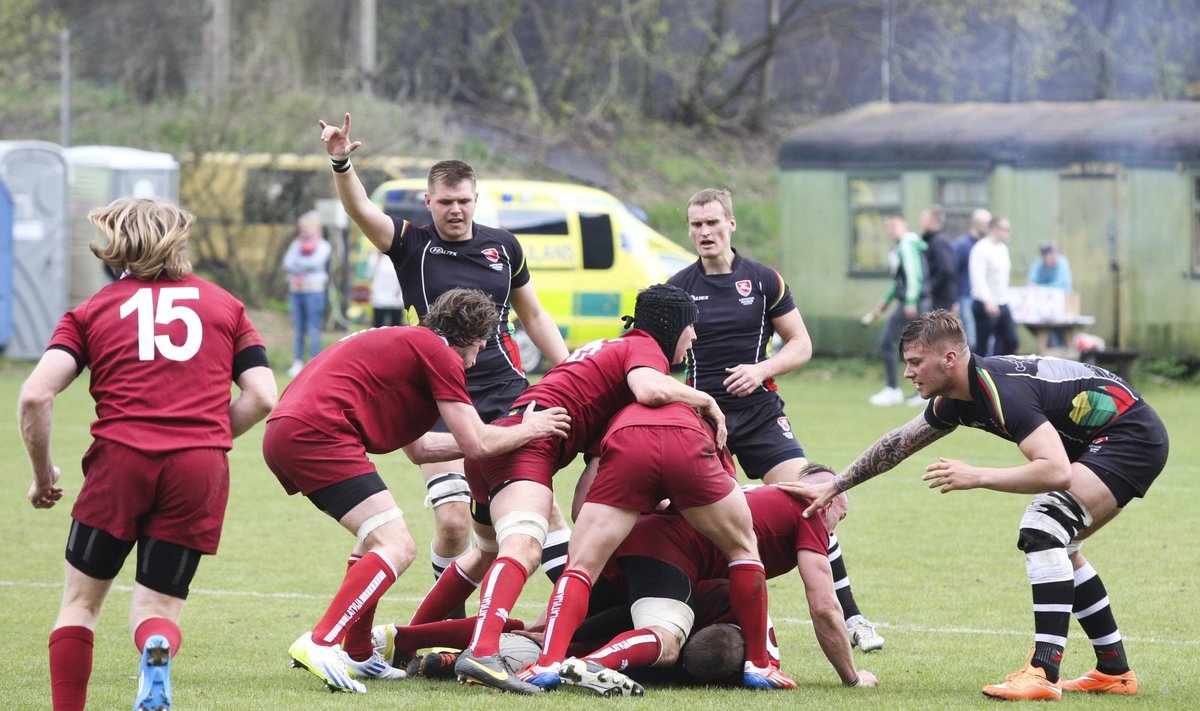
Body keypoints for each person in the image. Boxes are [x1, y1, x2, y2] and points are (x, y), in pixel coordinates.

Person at [789, 310, 1168, 701]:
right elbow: (898, 443)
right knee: (1061, 545)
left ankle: (1043, 670)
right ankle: (1114, 671)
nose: (908, 373)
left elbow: (1056, 472)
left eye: (916, 362)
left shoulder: (1003, 392)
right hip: (1104, 438)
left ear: (949, 359)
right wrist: (836, 485)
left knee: (1044, 527)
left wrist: (977, 475)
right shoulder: (958, 397)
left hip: (1129, 435)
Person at [19, 197, 278, 711]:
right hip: (198, 469)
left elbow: (35, 395)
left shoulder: (91, 310)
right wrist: (205, 435)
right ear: (179, 240)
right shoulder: (225, 305)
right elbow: (264, 395)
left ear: (115, 245)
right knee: (157, 606)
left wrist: (44, 473)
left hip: (120, 463)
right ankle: (155, 645)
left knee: (79, 605)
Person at [319, 113, 571, 614]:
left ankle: (583, 620)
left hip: (503, 389)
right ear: (429, 202)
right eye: (446, 202)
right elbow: (361, 208)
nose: (455, 210)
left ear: (475, 200)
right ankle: (444, 621)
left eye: (464, 201)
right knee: (454, 521)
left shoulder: (504, 246)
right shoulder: (412, 244)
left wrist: (567, 371)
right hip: (435, 392)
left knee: (541, 513)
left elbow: (535, 314)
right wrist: (341, 161)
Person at [262, 287, 570, 694]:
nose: (476, 359)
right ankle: (322, 641)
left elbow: (424, 448)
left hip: (293, 432)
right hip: (318, 433)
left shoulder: (410, 346)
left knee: (373, 541)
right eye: (478, 346)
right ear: (467, 335)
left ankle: (358, 652)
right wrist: (531, 428)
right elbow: (477, 444)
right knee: (397, 545)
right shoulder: (439, 352)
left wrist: (496, 434)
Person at [448, 284, 727, 694]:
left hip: (504, 438)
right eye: (691, 327)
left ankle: (402, 637)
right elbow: (651, 389)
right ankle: (483, 652)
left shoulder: (611, 358)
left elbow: (586, 500)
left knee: (483, 556)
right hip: (529, 445)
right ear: (672, 328)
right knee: (523, 550)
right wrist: (705, 400)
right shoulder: (645, 350)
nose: (695, 337)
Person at [667, 187, 884, 652]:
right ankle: (702, 616)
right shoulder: (679, 287)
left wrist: (761, 369)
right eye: (696, 225)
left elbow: (801, 344)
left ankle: (853, 618)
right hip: (704, 421)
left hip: (761, 415)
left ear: (731, 224)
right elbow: (656, 359)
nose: (704, 232)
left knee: (813, 499)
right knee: (693, 517)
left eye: (712, 223)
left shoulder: (763, 280)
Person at [521, 401, 787, 691]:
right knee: (740, 552)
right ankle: (760, 666)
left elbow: (581, 505)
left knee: (580, 570)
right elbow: (723, 500)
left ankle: (546, 660)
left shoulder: (619, 406)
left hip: (623, 500)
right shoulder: (696, 411)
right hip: (664, 533)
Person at [862, 213, 927, 406]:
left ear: (904, 225)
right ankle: (922, 392)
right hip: (911, 301)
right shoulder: (902, 247)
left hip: (912, 303)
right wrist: (884, 303)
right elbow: (899, 281)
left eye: (894, 226)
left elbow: (914, 275)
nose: (890, 230)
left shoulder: (906, 245)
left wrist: (910, 301)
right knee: (918, 347)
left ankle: (893, 389)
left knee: (888, 343)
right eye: (888, 227)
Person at [282, 210, 332, 377]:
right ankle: (297, 362)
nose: (303, 229)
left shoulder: (323, 245)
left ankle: (314, 361)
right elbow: (287, 263)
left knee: (313, 327)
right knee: (298, 328)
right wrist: (303, 265)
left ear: (316, 227)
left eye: (307, 226)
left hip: (314, 291)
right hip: (296, 291)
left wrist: (299, 264)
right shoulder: (296, 244)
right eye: (301, 226)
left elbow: (316, 262)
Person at [970, 215, 1019, 356]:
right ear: (994, 229)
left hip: (1002, 303)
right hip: (985, 304)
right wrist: (987, 300)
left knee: (1011, 340)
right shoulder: (981, 248)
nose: (1008, 232)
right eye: (1006, 229)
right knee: (983, 346)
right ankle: (976, 374)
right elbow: (977, 277)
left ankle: (997, 369)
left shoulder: (1003, 248)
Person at [953, 208, 992, 350]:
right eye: (987, 224)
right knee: (971, 339)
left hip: (985, 299)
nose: (989, 228)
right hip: (966, 297)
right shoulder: (962, 246)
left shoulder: (987, 246)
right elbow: (953, 273)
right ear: (976, 224)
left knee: (988, 339)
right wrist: (955, 299)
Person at [1027, 242, 1073, 348]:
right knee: (1045, 330)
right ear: (1043, 257)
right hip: (1044, 308)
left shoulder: (1062, 263)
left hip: (1063, 304)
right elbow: (1031, 282)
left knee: (1059, 331)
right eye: (1050, 257)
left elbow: (1061, 285)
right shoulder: (1038, 264)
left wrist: (1040, 288)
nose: (1054, 259)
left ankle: (1058, 352)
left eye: (1055, 256)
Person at [920, 204, 957, 313]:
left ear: (934, 220)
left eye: (924, 217)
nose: (921, 221)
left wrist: (930, 288)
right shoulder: (931, 240)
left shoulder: (939, 241)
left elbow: (946, 269)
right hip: (939, 296)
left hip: (940, 298)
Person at [369, 251, 405, 328]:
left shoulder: (400, 255)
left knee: (396, 329)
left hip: (396, 301)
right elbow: (369, 275)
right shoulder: (375, 257)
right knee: (377, 329)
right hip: (379, 300)